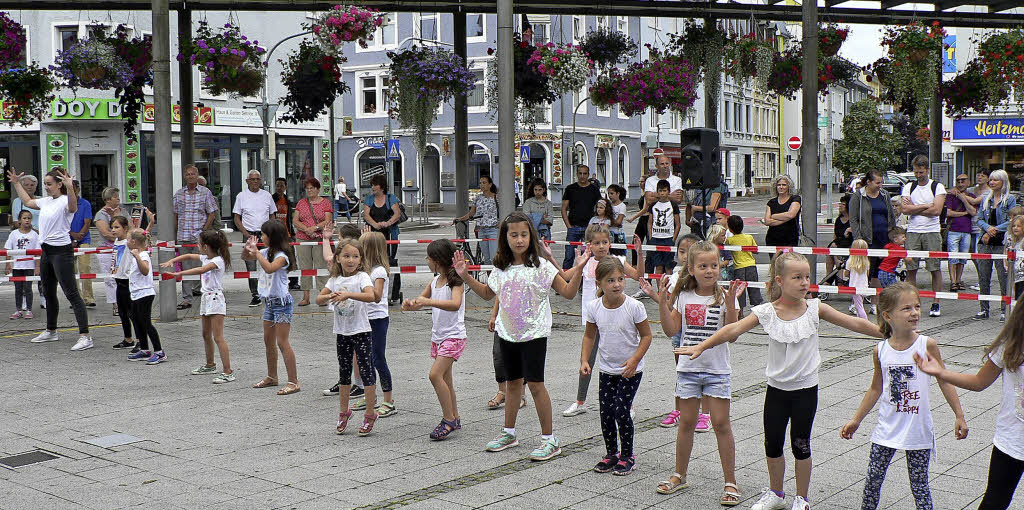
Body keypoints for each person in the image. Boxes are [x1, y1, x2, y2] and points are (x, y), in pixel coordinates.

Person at [679, 251, 883, 510]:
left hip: (805, 391)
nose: (804, 282)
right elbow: (733, 329)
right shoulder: (767, 311)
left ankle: (802, 498)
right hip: (775, 391)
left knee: (801, 444)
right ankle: (776, 493)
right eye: (797, 277)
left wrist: (890, 334)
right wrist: (702, 345)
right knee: (772, 443)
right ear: (779, 281)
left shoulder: (815, 308)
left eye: (807, 276)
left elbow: (856, 323)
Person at [454, 211, 588, 461]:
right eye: (514, 235)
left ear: (531, 236)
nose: (519, 240)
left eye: (524, 234)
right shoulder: (501, 268)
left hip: (534, 335)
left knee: (536, 385)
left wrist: (579, 269)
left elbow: (569, 293)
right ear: (505, 238)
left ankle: (550, 439)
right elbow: (487, 293)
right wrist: (465, 276)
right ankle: (509, 433)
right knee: (512, 384)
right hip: (507, 335)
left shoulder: (542, 266)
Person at [841, 282, 968, 510]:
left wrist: (959, 415)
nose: (915, 313)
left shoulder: (927, 345)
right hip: (886, 428)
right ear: (887, 315)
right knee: (872, 482)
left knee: (920, 486)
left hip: (917, 429)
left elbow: (944, 379)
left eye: (917, 306)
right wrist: (856, 419)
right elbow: (875, 388)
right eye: (907, 308)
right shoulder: (880, 350)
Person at [648, 241, 742, 505]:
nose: (709, 270)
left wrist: (731, 305)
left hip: (717, 370)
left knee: (721, 424)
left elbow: (732, 335)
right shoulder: (683, 296)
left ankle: (730, 481)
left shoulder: (725, 296)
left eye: (714, 265)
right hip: (688, 369)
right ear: (691, 269)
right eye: (703, 266)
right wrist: (663, 303)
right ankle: (680, 475)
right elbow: (671, 330)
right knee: (686, 423)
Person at [914, 301, 1024, 510]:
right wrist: (941, 372)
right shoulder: (1011, 345)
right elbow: (978, 382)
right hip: (1012, 440)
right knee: (995, 501)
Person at [581, 257, 652, 477]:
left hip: (630, 369)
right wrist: (584, 360)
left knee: (622, 411)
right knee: (606, 413)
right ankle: (611, 453)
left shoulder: (634, 306)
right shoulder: (594, 307)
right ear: (599, 283)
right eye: (610, 280)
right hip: (607, 369)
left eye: (620, 279)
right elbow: (589, 336)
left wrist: (634, 360)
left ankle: (628, 455)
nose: (617, 284)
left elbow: (647, 336)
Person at [563, 225, 644, 418]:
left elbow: (637, 275)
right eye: (597, 243)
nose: (601, 246)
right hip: (593, 318)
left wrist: (640, 255)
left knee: (621, 357)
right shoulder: (586, 261)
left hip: (617, 318)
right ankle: (580, 401)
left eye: (605, 242)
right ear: (589, 244)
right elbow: (564, 277)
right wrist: (552, 258)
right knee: (587, 360)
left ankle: (628, 403)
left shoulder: (618, 261)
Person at [8, 168, 92, 350]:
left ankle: (85, 336)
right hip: (46, 251)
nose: (46, 187)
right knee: (48, 292)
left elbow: (73, 207)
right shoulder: (46, 201)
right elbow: (28, 201)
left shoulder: (65, 201)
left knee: (72, 294)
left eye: (49, 184)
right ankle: (51, 331)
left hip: (62, 251)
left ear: (59, 184)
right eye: (45, 184)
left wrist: (70, 187)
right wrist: (16, 183)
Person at [402, 239, 467, 441]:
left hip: (454, 336)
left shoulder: (456, 281)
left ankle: (448, 419)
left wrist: (428, 301)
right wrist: (411, 304)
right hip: (439, 337)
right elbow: (420, 301)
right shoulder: (434, 281)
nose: (427, 260)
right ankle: (455, 416)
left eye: (429, 258)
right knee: (446, 380)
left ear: (438, 261)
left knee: (434, 375)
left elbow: (455, 304)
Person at [318, 238, 379, 435]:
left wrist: (349, 295)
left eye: (355, 256)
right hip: (342, 332)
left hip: (361, 331)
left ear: (360, 260)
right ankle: (344, 412)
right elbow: (319, 299)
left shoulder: (362, 277)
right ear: (338, 258)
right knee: (344, 373)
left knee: (366, 371)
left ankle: (370, 413)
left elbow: (371, 296)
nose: (350, 260)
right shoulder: (334, 280)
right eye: (346, 256)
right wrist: (329, 296)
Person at [161, 229, 234, 384]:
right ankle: (210, 365)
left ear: (206, 246)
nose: (197, 246)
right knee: (205, 334)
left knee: (218, 337)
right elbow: (188, 255)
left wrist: (179, 274)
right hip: (206, 298)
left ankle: (228, 371)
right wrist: (173, 260)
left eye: (199, 244)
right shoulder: (205, 257)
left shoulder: (218, 260)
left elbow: (202, 269)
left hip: (215, 298)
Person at [245, 220, 301, 396]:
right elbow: (246, 258)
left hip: (282, 304)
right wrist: (248, 248)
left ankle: (293, 382)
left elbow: (269, 269)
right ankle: (272, 376)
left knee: (282, 342)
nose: (261, 237)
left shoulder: (282, 256)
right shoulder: (265, 252)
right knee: (268, 341)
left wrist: (257, 253)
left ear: (272, 237)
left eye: (264, 234)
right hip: (269, 302)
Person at [94, 187, 153, 316]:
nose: (118, 199)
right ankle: (115, 304)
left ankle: (129, 300)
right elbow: (106, 233)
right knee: (111, 278)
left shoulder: (123, 211)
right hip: (108, 249)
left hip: (126, 247)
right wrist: (123, 236)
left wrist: (127, 238)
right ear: (108, 199)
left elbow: (132, 228)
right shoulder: (101, 214)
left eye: (118, 197)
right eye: (115, 197)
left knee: (127, 273)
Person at [900, 155, 946, 317]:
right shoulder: (909, 186)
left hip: (932, 231)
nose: (918, 175)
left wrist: (915, 208)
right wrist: (926, 205)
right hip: (913, 231)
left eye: (921, 172)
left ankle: (936, 302)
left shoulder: (937, 187)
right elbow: (904, 209)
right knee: (911, 268)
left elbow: (937, 211)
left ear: (927, 170)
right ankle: (913, 302)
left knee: (934, 267)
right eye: (916, 172)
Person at [357, 231, 396, 416]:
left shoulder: (378, 271)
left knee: (378, 358)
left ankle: (389, 400)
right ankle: (370, 396)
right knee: (365, 360)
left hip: (377, 319)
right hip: (364, 318)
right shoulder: (364, 270)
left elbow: (377, 295)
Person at [848, 170, 895, 313]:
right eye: (877, 182)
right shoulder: (858, 196)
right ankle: (857, 303)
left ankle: (875, 304)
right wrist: (858, 238)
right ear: (868, 182)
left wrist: (892, 233)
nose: (880, 185)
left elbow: (891, 215)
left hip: (883, 238)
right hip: (866, 239)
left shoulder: (884, 195)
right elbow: (853, 219)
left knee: (878, 273)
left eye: (881, 182)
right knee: (863, 272)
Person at [173, 164, 218, 310]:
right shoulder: (179, 194)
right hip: (183, 236)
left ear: (197, 175)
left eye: (193, 174)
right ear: (184, 176)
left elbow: (212, 213)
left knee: (202, 267)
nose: (190, 176)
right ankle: (187, 299)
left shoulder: (205, 192)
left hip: (199, 237)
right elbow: (175, 216)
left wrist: (204, 231)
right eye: (188, 174)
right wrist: (174, 236)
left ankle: (206, 295)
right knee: (186, 268)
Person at [975, 170, 1017, 322]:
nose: (992, 182)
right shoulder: (986, 198)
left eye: (995, 180)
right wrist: (988, 228)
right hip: (985, 241)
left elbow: (1012, 220)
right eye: (991, 180)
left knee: (1003, 277)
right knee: (983, 276)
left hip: (1001, 243)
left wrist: (995, 229)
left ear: (1003, 182)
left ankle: (1004, 310)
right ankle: (983, 309)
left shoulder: (1010, 199)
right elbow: (979, 219)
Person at [233, 171, 277, 307]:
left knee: (268, 263)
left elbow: (272, 215)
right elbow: (237, 218)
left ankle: (270, 292)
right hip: (249, 234)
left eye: (257, 179)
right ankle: (255, 295)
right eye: (252, 179)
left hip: (265, 234)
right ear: (247, 181)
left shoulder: (267, 195)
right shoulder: (241, 196)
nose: (255, 182)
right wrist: (245, 233)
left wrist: (270, 231)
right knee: (250, 266)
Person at [123, 229, 165, 364]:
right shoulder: (139, 255)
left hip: (144, 293)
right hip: (136, 293)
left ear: (134, 241)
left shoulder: (143, 255)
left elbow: (145, 271)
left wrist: (137, 257)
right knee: (137, 320)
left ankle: (159, 351)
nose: (127, 242)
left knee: (146, 322)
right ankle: (145, 349)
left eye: (128, 239)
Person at [362, 174, 403, 305]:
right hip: (373, 235)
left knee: (389, 261)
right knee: (371, 260)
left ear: (382, 186)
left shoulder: (391, 198)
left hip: (390, 234)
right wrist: (375, 224)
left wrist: (388, 223)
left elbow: (397, 214)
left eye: (375, 185)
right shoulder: (369, 199)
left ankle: (391, 292)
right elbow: (366, 215)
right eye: (372, 185)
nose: (373, 187)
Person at [294, 177, 334, 307]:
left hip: (319, 237)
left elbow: (327, 220)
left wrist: (314, 228)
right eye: (307, 188)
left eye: (312, 188)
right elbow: (295, 220)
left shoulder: (325, 203)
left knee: (321, 265)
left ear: (318, 189)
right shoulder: (301, 203)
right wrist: (306, 229)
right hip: (303, 237)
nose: (309, 191)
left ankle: (323, 295)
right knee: (304, 266)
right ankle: (306, 297)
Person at [561, 164, 602, 269]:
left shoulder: (594, 189)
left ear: (588, 174)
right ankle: (566, 277)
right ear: (577, 174)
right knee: (569, 256)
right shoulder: (570, 189)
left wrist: (596, 224)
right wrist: (569, 226)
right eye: (580, 173)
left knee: (588, 256)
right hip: (573, 227)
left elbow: (600, 207)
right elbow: (564, 209)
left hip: (589, 228)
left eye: (585, 173)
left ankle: (586, 277)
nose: (582, 176)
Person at [454, 175, 500, 264]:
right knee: (486, 259)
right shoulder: (478, 198)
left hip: (493, 229)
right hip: (481, 230)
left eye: (484, 183)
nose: (482, 185)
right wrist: (460, 219)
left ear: (490, 184)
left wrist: (501, 223)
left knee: (494, 257)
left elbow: (504, 211)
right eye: (480, 183)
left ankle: (495, 272)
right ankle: (489, 273)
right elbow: (471, 213)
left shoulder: (496, 197)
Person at [107, 216, 135, 350]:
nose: (113, 230)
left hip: (127, 279)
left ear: (125, 228)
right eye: (112, 227)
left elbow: (139, 233)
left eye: (117, 227)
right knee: (122, 312)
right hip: (118, 279)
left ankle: (140, 340)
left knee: (132, 313)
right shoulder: (117, 241)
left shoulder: (128, 242)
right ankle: (128, 338)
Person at [4, 210, 39, 319]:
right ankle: (18, 310)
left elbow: (38, 252)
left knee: (28, 288)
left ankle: (29, 310)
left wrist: (37, 266)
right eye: (24, 218)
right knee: (18, 288)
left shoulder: (34, 235)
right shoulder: (14, 234)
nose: (27, 220)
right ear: (19, 220)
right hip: (17, 266)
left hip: (29, 266)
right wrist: (8, 264)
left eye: (29, 218)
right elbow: (8, 249)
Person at [945, 174, 977, 291]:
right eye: (958, 181)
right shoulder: (950, 196)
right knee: (952, 256)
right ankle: (953, 281)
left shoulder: (971, 196)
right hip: (953, 229)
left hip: (967, 230)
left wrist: (963, 199)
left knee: (963, 257)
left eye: (963, 181)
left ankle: (958, 280)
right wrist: (963, 213)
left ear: (968, 182)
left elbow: (973, 212)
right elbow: (948, 212)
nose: (960, 183)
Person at [725, 215, 763, 309]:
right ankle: (757, 307)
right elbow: (756, 251)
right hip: (751, 265)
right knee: (754, 287)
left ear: (730, 228)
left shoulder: (730, 240)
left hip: (739, 267)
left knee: (740, 290)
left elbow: (726, 250)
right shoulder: (749, 237)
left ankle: (740, 311)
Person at [68, 180, 95, 307]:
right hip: (67, 239)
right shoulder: (63, 204)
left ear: (78, 190)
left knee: (85, 267)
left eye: (74, 189)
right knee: (71, 270)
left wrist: (77, 238)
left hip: (83, 239)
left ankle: (88, 297)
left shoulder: (85, 204)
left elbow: (87, 222)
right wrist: (72, 236)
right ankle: (76, 298)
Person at [272, 177, 300, 291]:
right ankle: (276, 282)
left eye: (281, 186)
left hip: (287, 234)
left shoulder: (287, 201)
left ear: (286, 187)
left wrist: (292, 233)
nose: (279, 188)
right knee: (275, 258)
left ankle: (293, 282)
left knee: (291, 257)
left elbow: (289, 219)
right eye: (277, 185)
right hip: (275, 234)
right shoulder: (271, 199)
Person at [648, 179, 680, 277]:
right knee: (658, 266)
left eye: (664, 191)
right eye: (660, 191)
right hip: (656, 238)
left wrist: (673, 239)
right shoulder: (653, 205)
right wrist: (651, 237)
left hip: (668, 238)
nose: (662, 193)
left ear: (668, 191)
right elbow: (650, 222)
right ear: (657, 192)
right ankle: (659, 286)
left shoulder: (673, 205)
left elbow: (678, 224)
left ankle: (669, 286)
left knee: (668, 267)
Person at [762, 174, 802, 250]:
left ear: (789, 186)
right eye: (779, 185)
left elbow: (791, 215)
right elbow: (767, 221)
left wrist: (773, 216)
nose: (781, 187)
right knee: (775, 258)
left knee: (788, 258)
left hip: (790, 239)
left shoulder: (795, 199)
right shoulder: (771, 202)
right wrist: (786, 218)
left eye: (784, 185)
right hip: (772, 239)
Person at [966, 169, 991, 290]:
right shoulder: (970, 190)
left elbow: (975, 201)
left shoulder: (989, 192)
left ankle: (983, 281)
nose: (980, 177)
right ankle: (980, 278)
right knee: (973, 255)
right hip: (968, 224)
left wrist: (961, 196)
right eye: (978, 175)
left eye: (983, 175)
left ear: (987, 178)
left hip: (980, 226)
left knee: (979, 254)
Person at [827, 194, 853, 279]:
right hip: (838, 243)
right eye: (840, 204)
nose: (840, 206)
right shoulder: (838, 220)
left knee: (834, 248)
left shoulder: (853, 220)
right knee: (831, 250)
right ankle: (829, 277)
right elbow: (835, 235)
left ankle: (838, 275)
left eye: (843, 204)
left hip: (848, 243)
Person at [847, 239, 871, 319]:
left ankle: (864, 320)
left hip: (854, 285)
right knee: (859, 304)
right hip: (863, 284)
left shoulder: (850, 261)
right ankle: (860, 320)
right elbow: (867, 274)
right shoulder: (866, 262)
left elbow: (846, 273)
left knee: (859, 306)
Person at [606, 184, 628, 255]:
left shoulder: (622, 206)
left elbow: (618, 222)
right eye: (608, 193)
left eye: (612, 193)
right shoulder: (608, 205)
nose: (610, 196)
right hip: (608, 233)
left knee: (620, 255)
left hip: (618, 234)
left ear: (618, 193)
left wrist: (608, 222)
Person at [1007, 216, 1024, 301]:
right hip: (1016, 277)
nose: (1015, 228)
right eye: (1013, 226)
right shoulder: (1014, 242)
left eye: (1018, 226)